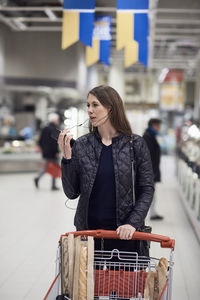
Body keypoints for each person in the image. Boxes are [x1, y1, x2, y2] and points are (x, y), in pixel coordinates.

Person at [58, 85, 154, 254]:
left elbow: (146, 189)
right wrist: (67, 159)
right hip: (88, 234)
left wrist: (132, 223)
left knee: (122, 281)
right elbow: (72, 193)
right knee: (88, 281)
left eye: (95, 105)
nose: (89, 110)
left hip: (124, 234)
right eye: (88, 105)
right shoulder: (82, 145)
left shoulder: (135, 144)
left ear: (110, 108)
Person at [143, 118, 163, 220]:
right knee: (149, 193)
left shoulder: (151, 136)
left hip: (151, 170)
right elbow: (147, 156)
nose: (159, 128)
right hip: (150, 171)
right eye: (158, 126)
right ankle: (150, 214)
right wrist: (150, 171)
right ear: (153, 125)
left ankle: (153, 213)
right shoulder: (148, 137)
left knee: (151, 193)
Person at [34, 113, 60, 191]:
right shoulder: (54, 129)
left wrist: (42, 148)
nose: (58, 121)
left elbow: (40, 140)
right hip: (52, 152)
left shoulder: (44, 128)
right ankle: (53, 185)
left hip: (46, 152)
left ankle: (38, 177)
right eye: (57, 120)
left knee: (47, 166)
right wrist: (57, 152)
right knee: (54, 167)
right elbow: (55, 142)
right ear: (54, 120)